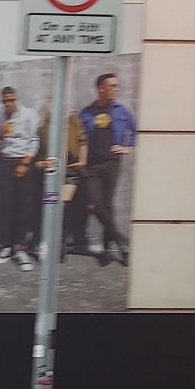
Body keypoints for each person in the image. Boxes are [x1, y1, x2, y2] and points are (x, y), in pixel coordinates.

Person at [75, 72, 136, 266]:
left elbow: (136, 130)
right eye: (112, 86)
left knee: (107, 204)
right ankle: (121, 241)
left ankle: (108, 248)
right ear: (101, 89)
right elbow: (77, 138)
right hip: (92, 165)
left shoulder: (121, 110)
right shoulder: (86, 113)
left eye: (117, 86)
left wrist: (127, 147)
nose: (116, 89)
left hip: (112, 162)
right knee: (96, 204)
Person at [0, 86, 43, 271]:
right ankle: (6, 246)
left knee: (24, 207)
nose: (9, 103)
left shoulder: (28, 115)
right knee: (6, 206)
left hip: (24, 163)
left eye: (11, 99)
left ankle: (20, 249)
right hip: (6, 163)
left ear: (16, 98)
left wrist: (25, 163)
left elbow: (34, 140)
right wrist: (0, 135)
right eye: (5, 101)